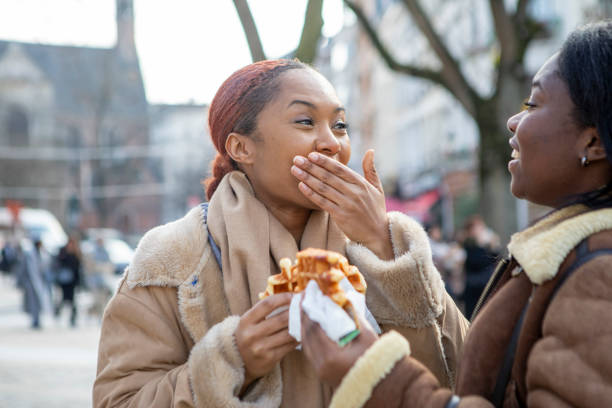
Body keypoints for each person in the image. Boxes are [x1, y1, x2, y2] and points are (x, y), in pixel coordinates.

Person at [93, 59, 468, 407]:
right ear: (241, 147)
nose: (331, 143)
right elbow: (119, 400)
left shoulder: (376, 244)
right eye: (306, 122)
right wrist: (231, 359)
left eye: (339, 125)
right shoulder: (171, 258)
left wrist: (382, 244)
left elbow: (469, 377)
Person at [300, 20, 612, 408]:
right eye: (303, 120)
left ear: (594, 140)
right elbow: (473, 373)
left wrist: (378, 377)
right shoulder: (564, 256)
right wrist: (381, 239)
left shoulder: (598, 273)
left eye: (533, 104)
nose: (513, 121)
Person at [459, 215, 500, 318]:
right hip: (474, 288)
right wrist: (482, 245)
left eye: (480, 227)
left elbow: (495, 259)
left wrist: (493, 246)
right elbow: (476, 262)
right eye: (476, 228)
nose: (479, 230)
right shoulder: (467, 245)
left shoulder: (487, 244)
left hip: (487, 285)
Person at [15, 237, 52, 329]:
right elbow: (22, 269)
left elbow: (46, 268)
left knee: (39, 302)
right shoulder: (28, 254)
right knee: (32, 302)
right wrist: (21, 281)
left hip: (40, 282)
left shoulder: (44, 254)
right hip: (30, 282)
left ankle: (37, 319)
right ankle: (35, 320)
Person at [54, 236, 82, 327]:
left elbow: (78, 268)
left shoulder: (76, 252)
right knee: (63, 299)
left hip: (73, 281)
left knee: (73, 300)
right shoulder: (63, 251)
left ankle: (73, 318)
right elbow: (58, 264)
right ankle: (58, 312)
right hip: (64, 281)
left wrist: (79, 282)